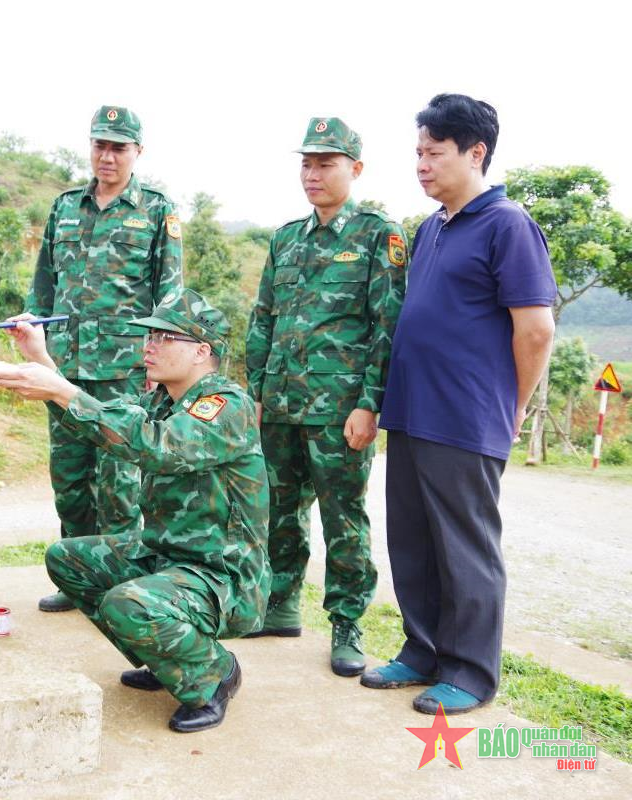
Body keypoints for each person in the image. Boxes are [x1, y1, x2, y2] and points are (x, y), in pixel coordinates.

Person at [0, 289, 269, 733]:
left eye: (165, 337)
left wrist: (60, 390)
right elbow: (102, 420)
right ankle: (170, 661)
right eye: (149, 336)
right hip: (167, 557)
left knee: (128, 604)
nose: (150, 345)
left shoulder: (225, 405)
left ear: (202, 351)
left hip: (222, 576)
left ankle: (214, 673)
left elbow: (159, 446)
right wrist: (44, 365)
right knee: (68, 559)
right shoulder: (161, 399)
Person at [361, 94, 556, 714]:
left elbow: (535, 330)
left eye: (434, 153)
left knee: (465, 547)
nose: (421, 165)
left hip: (467, 417)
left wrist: (514, 405)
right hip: (414, 412)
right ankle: (423, 650)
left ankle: (470, 671)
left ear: (476, 153)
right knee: (413, 541)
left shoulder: (508, 225)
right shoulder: (432, 229)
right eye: (417, 152)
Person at [244, 117, 406, 677]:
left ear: (354, 169)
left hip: (340, 410)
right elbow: (264, 317)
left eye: (326, 163)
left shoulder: (378, 236)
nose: (312, 174)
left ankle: (346, 622)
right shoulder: (286, 238)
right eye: (307, 163)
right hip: (282, 405)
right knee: (279, 512)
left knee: (344, 517)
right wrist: (256, 391)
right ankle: (281, 603)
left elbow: (387, 327)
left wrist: (370, 402)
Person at [19, 105, 184, 612]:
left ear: (138, 151)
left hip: (124, 373)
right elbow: (44, 281)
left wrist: (161, 365)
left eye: (118, 147)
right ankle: (77, 574)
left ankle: (119, 586)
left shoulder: (156, 210)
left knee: (119, 486)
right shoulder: (65, 206)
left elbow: (170, 294)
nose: (107, 156)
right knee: (69, 480)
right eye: (100, 145)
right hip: (63, 365)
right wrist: (33, 331)